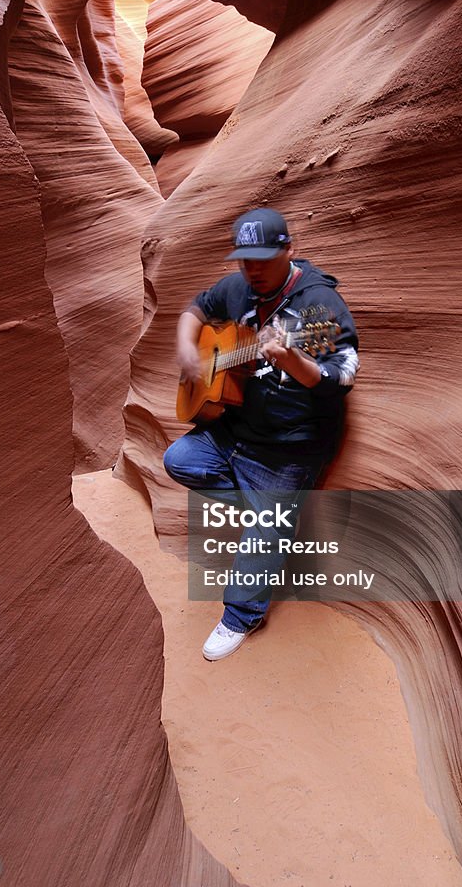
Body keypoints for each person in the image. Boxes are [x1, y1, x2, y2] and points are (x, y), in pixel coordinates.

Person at [163, 207, 359, 660]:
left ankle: (240, 616)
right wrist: (187, 350)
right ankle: (271, 519)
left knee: (266, 530)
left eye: (264, 260)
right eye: (244, 260)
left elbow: (343, 374)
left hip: (289, 446)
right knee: (179, 461)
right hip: (234, 429)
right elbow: (197, 308)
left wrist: (296, 363)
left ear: (289, 250)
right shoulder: (238, 287)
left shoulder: (319, 308)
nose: (253, 270)